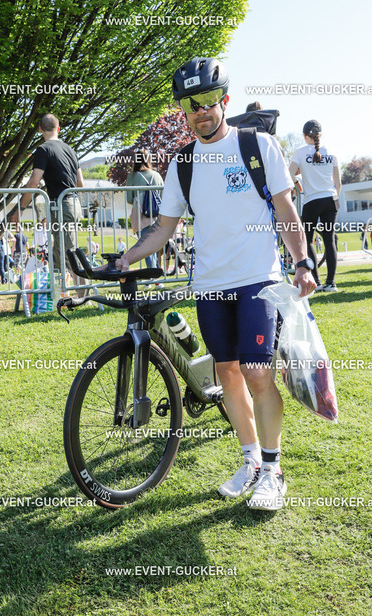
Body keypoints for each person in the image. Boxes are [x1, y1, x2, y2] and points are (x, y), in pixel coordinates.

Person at [115, 57, 316, 511]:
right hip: (210, 284)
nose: (201, 110)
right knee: (227, 373)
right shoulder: (183, 163)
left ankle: (273, 471)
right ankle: (250, 461)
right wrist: (127, 257)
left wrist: (302, 262)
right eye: (191, 104)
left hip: (258, 280)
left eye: (208, 100)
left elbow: (286, 209)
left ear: (224, 100)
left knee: (257, 372)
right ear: (183, 110)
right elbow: (163, 228)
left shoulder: (257, 145)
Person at [11, 113, 85, 289]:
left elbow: (34, 181)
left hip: (62, 206)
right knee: (61, 253)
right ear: (58, 128)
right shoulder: (70, 150)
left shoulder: (43, 150)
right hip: (73, 204)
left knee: (69, 254)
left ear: (40, 129)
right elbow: (80, 183)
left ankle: (84, 294)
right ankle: (63, 292)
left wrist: (20, 208)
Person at [289, 120, 341, 292]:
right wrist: (335, 200)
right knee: (329, 241)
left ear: (305, 136)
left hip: (311, 201)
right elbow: (338, 183)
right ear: (320, 134)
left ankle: (317, 282)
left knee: (308, 241)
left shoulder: (300, 152)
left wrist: (298, 182)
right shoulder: (331, 151)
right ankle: (331, 283)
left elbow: (288, 175)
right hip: (330, 199)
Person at [126, 149, 164, 271]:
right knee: (154, 247)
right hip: (157, 216)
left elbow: (129, 199)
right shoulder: (157, 175)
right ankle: (156, 273)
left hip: (140, 216)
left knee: (144, 247)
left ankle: (152, 275)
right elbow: (162, 197)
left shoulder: (133, 176)